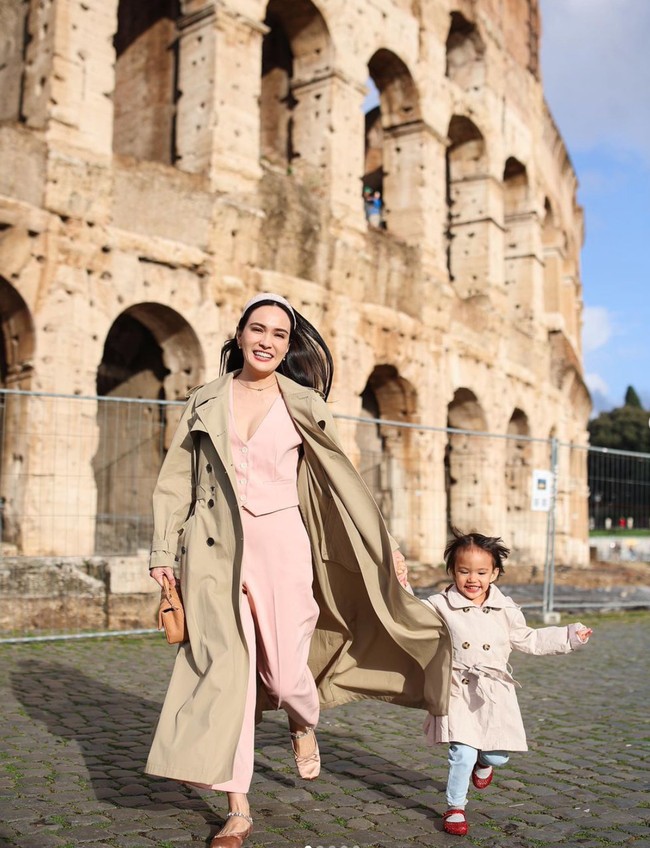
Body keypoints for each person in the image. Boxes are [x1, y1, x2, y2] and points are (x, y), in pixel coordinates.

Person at [146, 292, 452, 847]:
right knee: (228, 678)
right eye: (257, 329)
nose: (267, 341)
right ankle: (237, 809)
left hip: (283, 546)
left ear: (289, 345)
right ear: (239, 335)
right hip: (213, 552)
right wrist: (164, 555)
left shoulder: (304, 401)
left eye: (279, 334)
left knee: (287, 675)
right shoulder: (204, 400)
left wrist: (387, 547)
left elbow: (344, 481)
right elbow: (175, 482)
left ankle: (303, 719)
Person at [411, 529, 592, 837]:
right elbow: (407, 613)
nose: (472, 579)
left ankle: (486, 762)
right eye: (464, 571)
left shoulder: (506, 608)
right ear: (452, 572)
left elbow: (531, 639)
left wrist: (568, 636)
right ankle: (455, 807)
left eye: (481, 572)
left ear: (494, 573)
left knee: (496, 754)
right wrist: (399, 579)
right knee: (462, 752)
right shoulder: (440, 605)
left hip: (494, 692)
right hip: (457, 689)